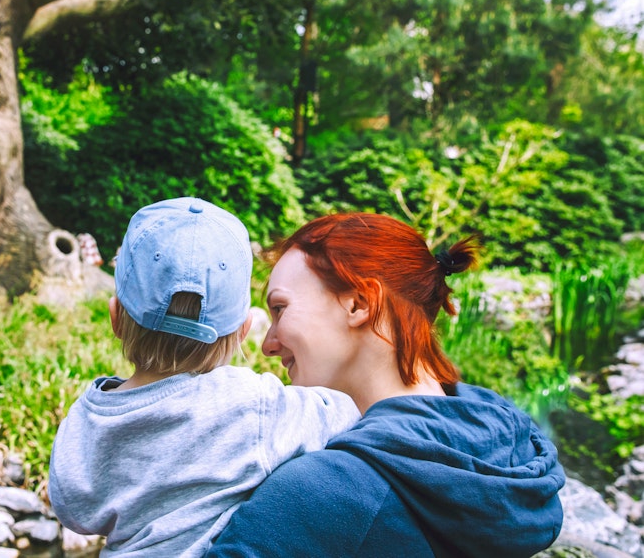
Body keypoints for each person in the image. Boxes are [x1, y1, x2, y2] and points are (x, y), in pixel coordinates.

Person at [206, 212, 566, 558]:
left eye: (280, 308)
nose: (268, 345)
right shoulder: (508, 447)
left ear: (360, 304)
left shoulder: (323, 492)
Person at [48, 197, 361, 557]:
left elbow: (72, 510)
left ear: (116, 317)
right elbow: (342, 413)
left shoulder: (91, 418)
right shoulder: (254, 406)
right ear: (244, 330)